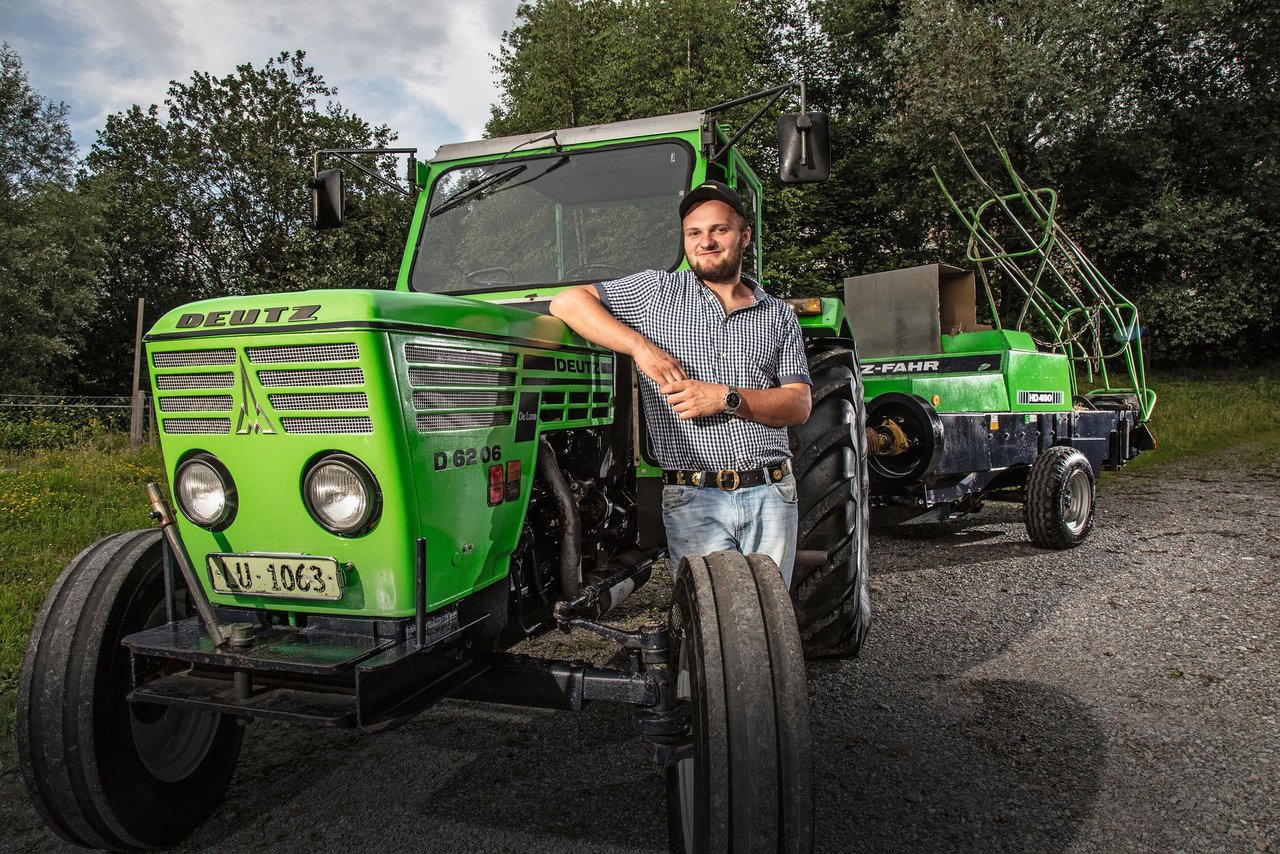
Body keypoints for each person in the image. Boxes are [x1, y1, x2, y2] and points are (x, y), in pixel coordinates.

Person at [549, 180, 811, 585]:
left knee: (769, 621)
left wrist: (725, 398)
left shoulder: (778, 315)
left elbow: (799, 405)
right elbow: (565, 302)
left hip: (770, 493)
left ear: (744, 236)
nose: (705, 241)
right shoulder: (656, 292)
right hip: (693, 497)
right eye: (694, 233)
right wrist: (639, 348)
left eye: (718, 230)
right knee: (709, 629)